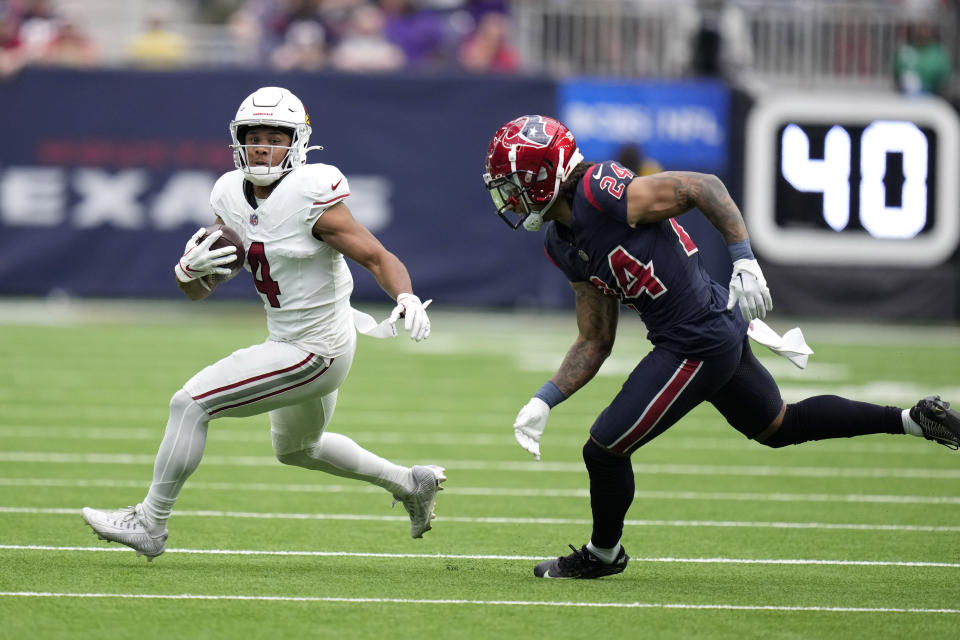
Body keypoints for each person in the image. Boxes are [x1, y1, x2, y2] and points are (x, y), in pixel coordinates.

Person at [482, 114, 960, 579]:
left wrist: (744, 258)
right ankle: (912, 421)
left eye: (515, 182)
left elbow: (704, 187)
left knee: (604, 449)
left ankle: (603, 555)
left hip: (695, 340)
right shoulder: (561, 242)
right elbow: (595, 339)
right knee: (778, 425)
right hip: (707, 327)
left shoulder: (600, 190)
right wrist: (546, 397)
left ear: (547, 175)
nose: (508, 196)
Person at [82, 87, 446, 560]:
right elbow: (199, 291)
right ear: (238, 140)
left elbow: (375, 255)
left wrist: (406, 295)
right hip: (293, 342)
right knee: (298, 449)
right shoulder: (229, 194)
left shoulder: (310, 193)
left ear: (297, 143)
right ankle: (408, 483)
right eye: (254, 136)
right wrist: (185, 273)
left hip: (316, 349)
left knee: (189, 404)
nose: (262, 147)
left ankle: (150, 521)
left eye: (276, 137)